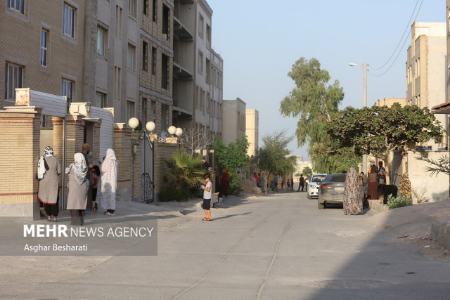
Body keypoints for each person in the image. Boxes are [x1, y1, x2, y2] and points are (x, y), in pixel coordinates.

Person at [37, 146, 61, 222]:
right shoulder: (56, 159)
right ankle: (54, 216)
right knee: (54, 199)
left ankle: (49, 215)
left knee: (46, 199)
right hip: (54, 182)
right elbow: (59, 171)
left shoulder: (41, 159)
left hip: (44, 182)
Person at [66, 153, 89, 226]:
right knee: (80, 204)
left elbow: (67, 172)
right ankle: (81, 221)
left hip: (74, 188)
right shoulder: (84, 167)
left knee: (73, 205)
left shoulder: (72, 166)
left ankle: (75, 222)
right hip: (82, 188)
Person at [100, 149, 118, 216]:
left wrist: (101, 163)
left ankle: (108, 210)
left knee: (107, 195)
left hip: (107, 181)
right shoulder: (114, 161)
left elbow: (103, 169)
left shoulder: (107, 161)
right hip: (113, 181)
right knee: (112, 195)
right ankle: (112, 210)